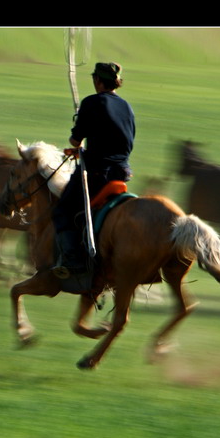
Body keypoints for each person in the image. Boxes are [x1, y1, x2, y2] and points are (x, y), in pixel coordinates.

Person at [52, 62, 135, 278]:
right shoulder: (127, 107)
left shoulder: (91, 102)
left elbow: (75, 139)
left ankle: (71, 261)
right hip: (121, 173)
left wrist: (78, 128)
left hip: (97, 173)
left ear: (97, 81)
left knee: (62, 210)